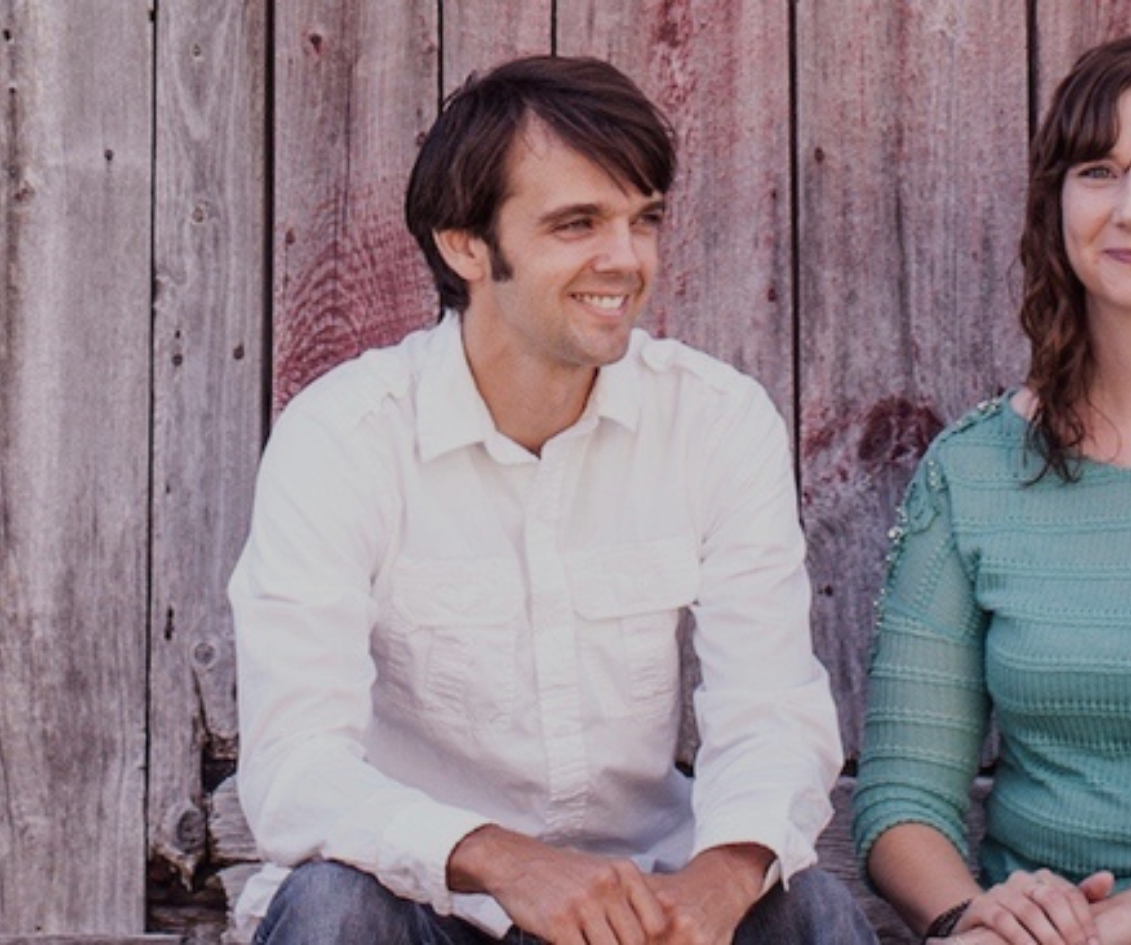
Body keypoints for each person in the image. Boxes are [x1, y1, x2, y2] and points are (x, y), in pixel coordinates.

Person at [230, 55, 872, 944]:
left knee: (811, 910)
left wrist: (719, 881)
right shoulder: (344, 437)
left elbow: (771, 710)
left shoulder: (716, 420)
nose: (627, 259)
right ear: (465, 244)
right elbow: (295, 764)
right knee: (332, 908)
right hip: (429, 904)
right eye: (578, 224)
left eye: (643, 219)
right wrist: (504, 861)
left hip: (649, 904)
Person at [854, 35, 1131, 945]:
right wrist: (973, 914)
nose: (1127, 208)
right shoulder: (972, 473)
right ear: (1058, 200)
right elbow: (903, 796)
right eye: (1100, 170)